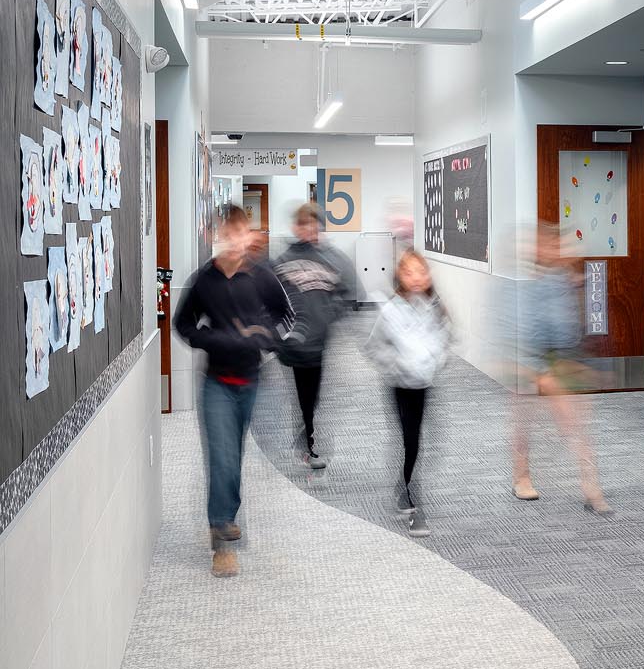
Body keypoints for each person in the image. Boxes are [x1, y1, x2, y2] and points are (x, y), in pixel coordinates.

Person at [173, 204, 290, 577]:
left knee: (234, 457)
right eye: (226, 235)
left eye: (240, 234)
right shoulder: (203, 281)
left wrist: (265, 337)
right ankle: (220, 540)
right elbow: (182, 324)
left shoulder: (260, 278)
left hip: (251, 381)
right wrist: (212, 339)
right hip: (216, 384)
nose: (234, 242)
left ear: (247, 236)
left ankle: (227, 515)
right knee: (221, 458)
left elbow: (284, 315)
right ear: (216, 237)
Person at [512, 220, 609, 514]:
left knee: (576, 426)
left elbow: (572, 329)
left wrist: (582, 365)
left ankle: (590, 487)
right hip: (534, 360)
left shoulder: (567, 280)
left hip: (565, 360)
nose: (565, 250)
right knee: (524, 423)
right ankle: (521, 476)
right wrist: (540, 371)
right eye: (556, 245)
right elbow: (528, 327)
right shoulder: (532, 283)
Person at [368, 249, 450, 536]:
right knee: (410, 441)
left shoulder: (435, 307)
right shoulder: (391, 309)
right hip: (399, 384)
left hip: (423, 384)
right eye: (409, 272)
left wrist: (434, 359)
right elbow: (374, 347)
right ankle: (414, 502)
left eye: (421, 272)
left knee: (418, 442)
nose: (416, 278)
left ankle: (404, 487)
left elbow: (445, 340)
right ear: (400, 277)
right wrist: (397, 364)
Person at [273, 201, 355, 469]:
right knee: (303, 395)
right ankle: (309, 442)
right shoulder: (283, 262)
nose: (308, 229)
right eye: (303, 224)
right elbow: (271, 299)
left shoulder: (333, 259)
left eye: (313, 223)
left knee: (313, 395)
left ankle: (307, 432)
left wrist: (327, 316)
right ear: (296, 227)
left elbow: (350, 293)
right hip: (294, 344)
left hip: (319, 343)